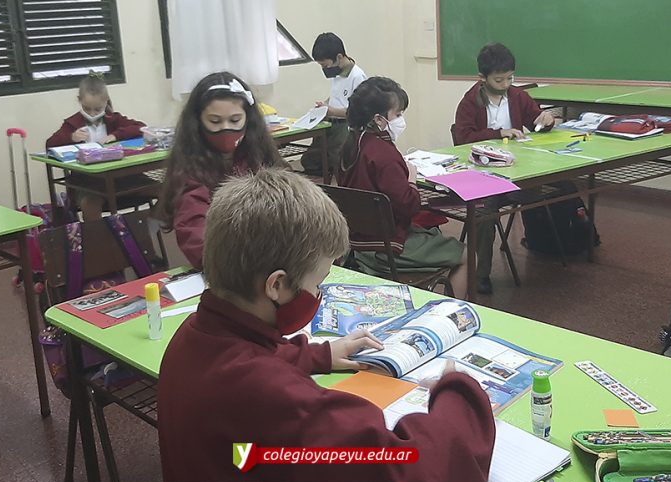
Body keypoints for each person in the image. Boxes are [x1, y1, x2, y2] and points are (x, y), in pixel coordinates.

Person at [157, 169, 495, 482]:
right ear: (276, 285)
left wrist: (319, 355)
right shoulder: (275, 398)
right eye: (317, 283)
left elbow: (248, 358)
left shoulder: (192, 334)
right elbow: (412, 469)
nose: (318, 294)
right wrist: (458, 394)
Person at [337, 77, 468, 298]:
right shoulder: (384, 154)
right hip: (385, 249)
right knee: (466, 254)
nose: (401, 120)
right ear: (379, 119)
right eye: (397, 115)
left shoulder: (350, 144)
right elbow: (408, 206)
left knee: (431, 232)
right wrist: (411, 179)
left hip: (354, 244)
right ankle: (451, 314)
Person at [453, 43, 556, 294]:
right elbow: (463, 139)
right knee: (483, 213)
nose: (506, 84)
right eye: (499, 80)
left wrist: (546, 120)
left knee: (556, 188)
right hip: (484, 175)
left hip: (517, 172)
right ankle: (481, 275)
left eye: (510, 78)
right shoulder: (471, 101)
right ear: (482, 78)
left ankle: (545, 245)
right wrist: (498, 133)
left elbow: (536, 119)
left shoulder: (517, 96)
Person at [156, 71, 284, 269]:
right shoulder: (190, 168)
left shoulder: (260, 155)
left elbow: (291, 202)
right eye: (215, 121)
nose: (226, 128)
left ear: (248, 119)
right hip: (229, 265)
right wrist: (225, 264)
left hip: (275, 257)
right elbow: (194, 227)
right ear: (197, 122)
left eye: (235, 120)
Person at [46, 72, 147, 221]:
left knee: (164, 190)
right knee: (90, 204)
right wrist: (71, 137)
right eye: (87, 108)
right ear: (80, 101)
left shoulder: (113, 119)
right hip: (87, 182)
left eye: (98, 109)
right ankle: (99, 235)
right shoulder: (72, 124)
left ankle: (151, 226)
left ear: (105, 102)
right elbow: (50, 144)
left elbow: (140, 127)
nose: (92, 114)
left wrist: (115, 135)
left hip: (119, 177)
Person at [299, 32, 367, 177]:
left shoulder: (357, 77)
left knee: (337, 159)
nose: (324, 69)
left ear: (339, 57)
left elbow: (357, 111)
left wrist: (331, 111)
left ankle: (335, 179)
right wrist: (325, 104)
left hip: (346, 125)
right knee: (309, 161)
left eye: (325, 65)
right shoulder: (338, 74)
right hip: (331, 121)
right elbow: (338, 96)